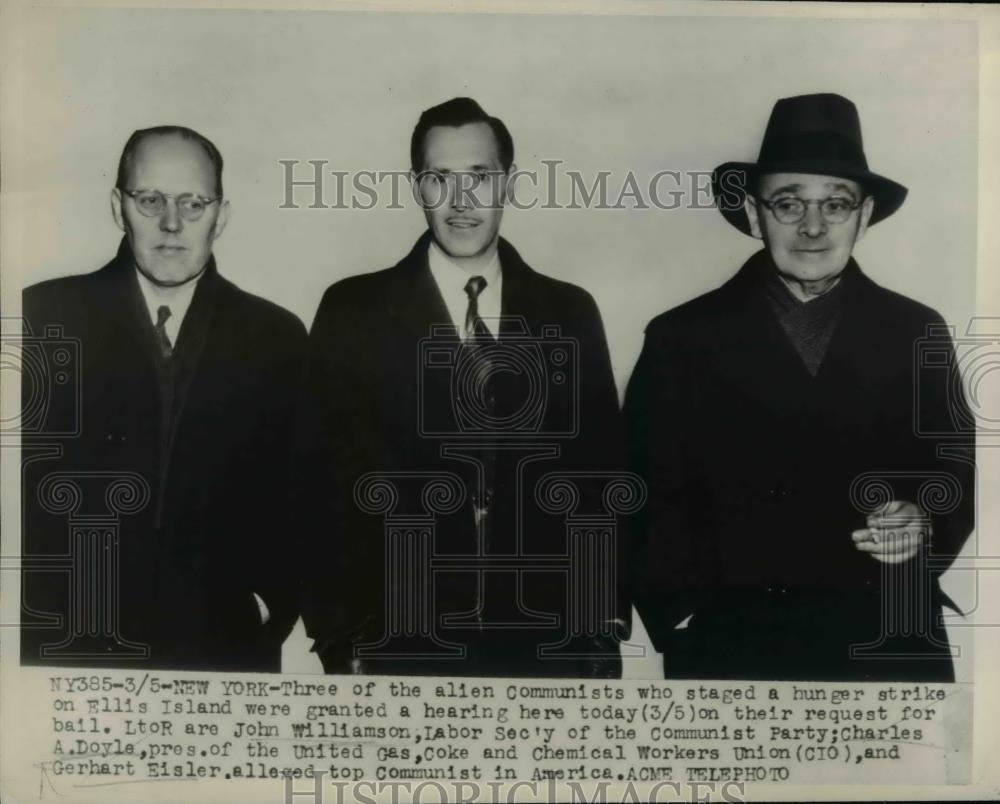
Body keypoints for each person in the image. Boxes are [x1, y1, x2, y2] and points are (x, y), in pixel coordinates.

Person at [624, 93, 975, 681]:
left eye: (835, 205)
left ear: (864, 216)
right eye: (788, 204)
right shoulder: (680, 337)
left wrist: (923, 521)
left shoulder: (917, 329)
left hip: (888, 640)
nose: (813, 228)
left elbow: (954, 471)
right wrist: (680, 615)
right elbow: (638, 491)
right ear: (754, 215)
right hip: (734, 645)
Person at [296, 97, 627, 677]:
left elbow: (599, 479)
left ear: (510, 184)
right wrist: (338, 636)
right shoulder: (353, 310)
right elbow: (319, 486)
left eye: (479, 177)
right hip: (396, 647)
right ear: (416, 187)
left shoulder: (569, 311)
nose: (461, 202)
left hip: (545, 649)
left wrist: (599, 635)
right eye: (439, 179)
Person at [21, 126, 306, 671]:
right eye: (150, 200)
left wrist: (272, 603)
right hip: (68, 652)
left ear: (221, 215)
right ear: (117, 206)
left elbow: (309, 496)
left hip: (224, 651)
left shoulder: (278, 337)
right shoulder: (41, 317)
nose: (172, 223)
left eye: (192, 203)